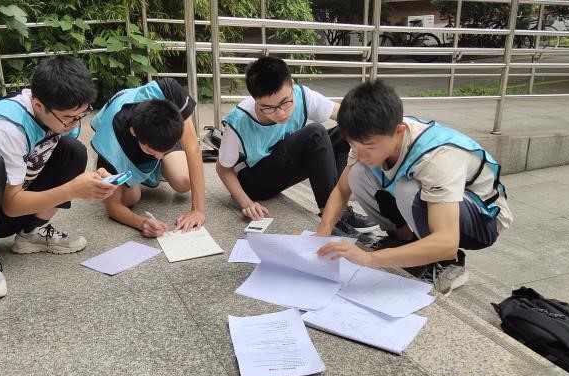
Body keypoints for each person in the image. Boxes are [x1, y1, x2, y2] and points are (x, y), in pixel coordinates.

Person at [0, 55, 117, 301]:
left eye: (81, 114)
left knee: (73, 151)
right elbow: (11, 205)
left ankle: (32, 233)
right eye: (69, 118)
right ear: (38, 105)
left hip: (14, 205)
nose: (75, 123)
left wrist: (91, 180)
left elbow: (45, 163)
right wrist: (73, 189)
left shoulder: (60, 112)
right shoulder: (4, 128)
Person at [316, 80, 513, 295]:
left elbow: (447, 241)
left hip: (483, 220)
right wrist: (321, 233)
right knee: (358, 173)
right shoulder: (367, 136)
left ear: (399, 131)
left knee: (407, 188)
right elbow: (342, 190)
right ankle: (400, 239)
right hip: (444, 204)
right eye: (354, 145)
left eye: (369, 147)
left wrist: (370, 259)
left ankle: (449, 263)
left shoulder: (436, 157)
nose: (361, 153)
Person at [215, 56, 376, 234]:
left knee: (346, 129)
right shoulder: (238, 121)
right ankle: (332, 216)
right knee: (315, 133)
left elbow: (346, 115)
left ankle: (340, 207)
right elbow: (223, 169)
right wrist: (246, 203)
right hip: (254, 181)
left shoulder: (302, 96)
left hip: (282, 165)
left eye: (285, 102)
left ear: (292, 85)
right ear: (255, 100)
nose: (281, 113)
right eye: (268, 108)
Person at [90, 78, 206, 238]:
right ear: (134, 132)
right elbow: (113, 207)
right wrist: (142, 223)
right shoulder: (110, 145)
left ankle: (156, 166)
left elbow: (193, 148)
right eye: (152, 151)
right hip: (119, 140)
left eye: (164, 151)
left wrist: (198, 210)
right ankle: (133, 170)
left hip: (152, 133)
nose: (159, 156)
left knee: (184, 181)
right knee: (129, 199)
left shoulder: (170, 90)